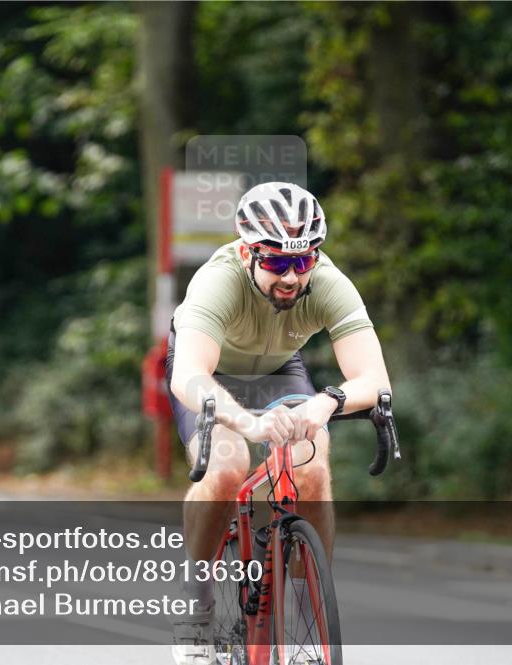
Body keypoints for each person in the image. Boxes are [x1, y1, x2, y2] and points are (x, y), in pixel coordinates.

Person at [165, 182, 391, 663]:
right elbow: (188, 376)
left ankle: (308, 603)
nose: (292, 276)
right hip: (212, 376)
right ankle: (198, 598)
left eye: (303, 261)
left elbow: (373, 378)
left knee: (311, 463)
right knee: (227, 468)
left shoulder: (327, 282)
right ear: (248, 251)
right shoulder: (217, 280)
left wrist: (326, 404)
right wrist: (245, 423)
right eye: (276, 262)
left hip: (278, 371)